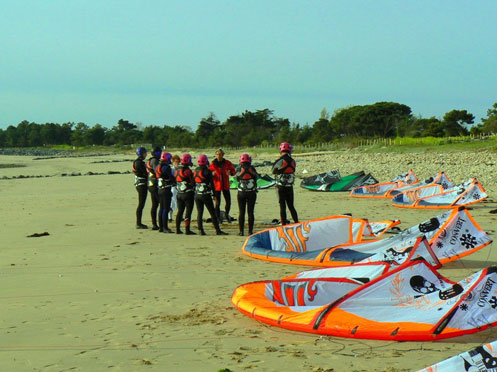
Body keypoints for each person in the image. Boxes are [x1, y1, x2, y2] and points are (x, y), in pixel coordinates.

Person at [193, 154, 227, 236]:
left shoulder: (195, 170)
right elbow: (212, 185)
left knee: (200, 213)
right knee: (212, 213)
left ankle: (200, 230)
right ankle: (217, 230)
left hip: (197, 194)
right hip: (205, 195)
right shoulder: (207, 171)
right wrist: (214, 195)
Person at [272, 142, 299, 225]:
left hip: (281, 186)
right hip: (290, 186)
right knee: (291, 206)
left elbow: (273, 171)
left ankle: (283, 224)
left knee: (282, 206)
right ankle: (297, 222)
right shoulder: (293, 161)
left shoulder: (280, 161)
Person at [209, 148, 236, 223]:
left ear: (223, 155)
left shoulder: (227, 163)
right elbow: (208, 173)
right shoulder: (213, 164)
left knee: (228, 202)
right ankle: (218, 218)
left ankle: (226, 214)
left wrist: (230, 173)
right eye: (217, 154)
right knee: (217, 203)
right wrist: (212, 174)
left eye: (220, 154)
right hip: (217, 186)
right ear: (215, 155)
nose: (218, 155)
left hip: (225, 185)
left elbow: (234, 171)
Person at [236, 153, 258, 236]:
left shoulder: (239, 168)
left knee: (241, 213)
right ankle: (250, 231)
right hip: (251, 192)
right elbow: (256, 177)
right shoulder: (252, 168)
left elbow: (237, 178)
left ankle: (241, 231)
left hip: (241, 193)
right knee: (250, 212)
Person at [174, 153, 196, 235]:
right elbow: (192, 182)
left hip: (179, 193)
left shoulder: (176, 169)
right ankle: (187, 229)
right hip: (187, 193)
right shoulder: (188, 171)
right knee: (188, 211)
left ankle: (177, 229)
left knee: (180, 211)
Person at [156, 152, 175, 233]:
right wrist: (174, 181)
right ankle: (165, 227)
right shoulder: (166, 168)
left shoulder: (158, 166)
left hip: (160, 189)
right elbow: (171, 177)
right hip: (166, 189)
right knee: (165, 209)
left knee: (161, 208)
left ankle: (161, 227)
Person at [146, 145, 162, 230]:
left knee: (155, 205)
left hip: (151, 184)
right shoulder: (155, 161)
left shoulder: (150, 160)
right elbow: (158, 172)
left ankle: (155, 224)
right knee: (159, 204)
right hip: (154, 185)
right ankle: (157, 224)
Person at [132, 147, 148, 229]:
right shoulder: (139, 163)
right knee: (141, 204)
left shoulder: (139, 162)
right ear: (141, 153)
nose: (146, 154)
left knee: (142, 204)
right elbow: (145, 173)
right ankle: (138, 223)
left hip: (141, 184)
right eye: (145, 153)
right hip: (141, 185)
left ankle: (139, 222)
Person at [168, 155, 180, 222]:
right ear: (172, 162)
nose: (177, 163)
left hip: (179, 187)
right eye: (175, 162)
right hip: (173, 187)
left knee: (180, 203)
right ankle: (169, 217)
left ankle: (180, 216)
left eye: (178, 162)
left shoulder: (180, 169)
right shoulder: (171, 169)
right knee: (172, 202)